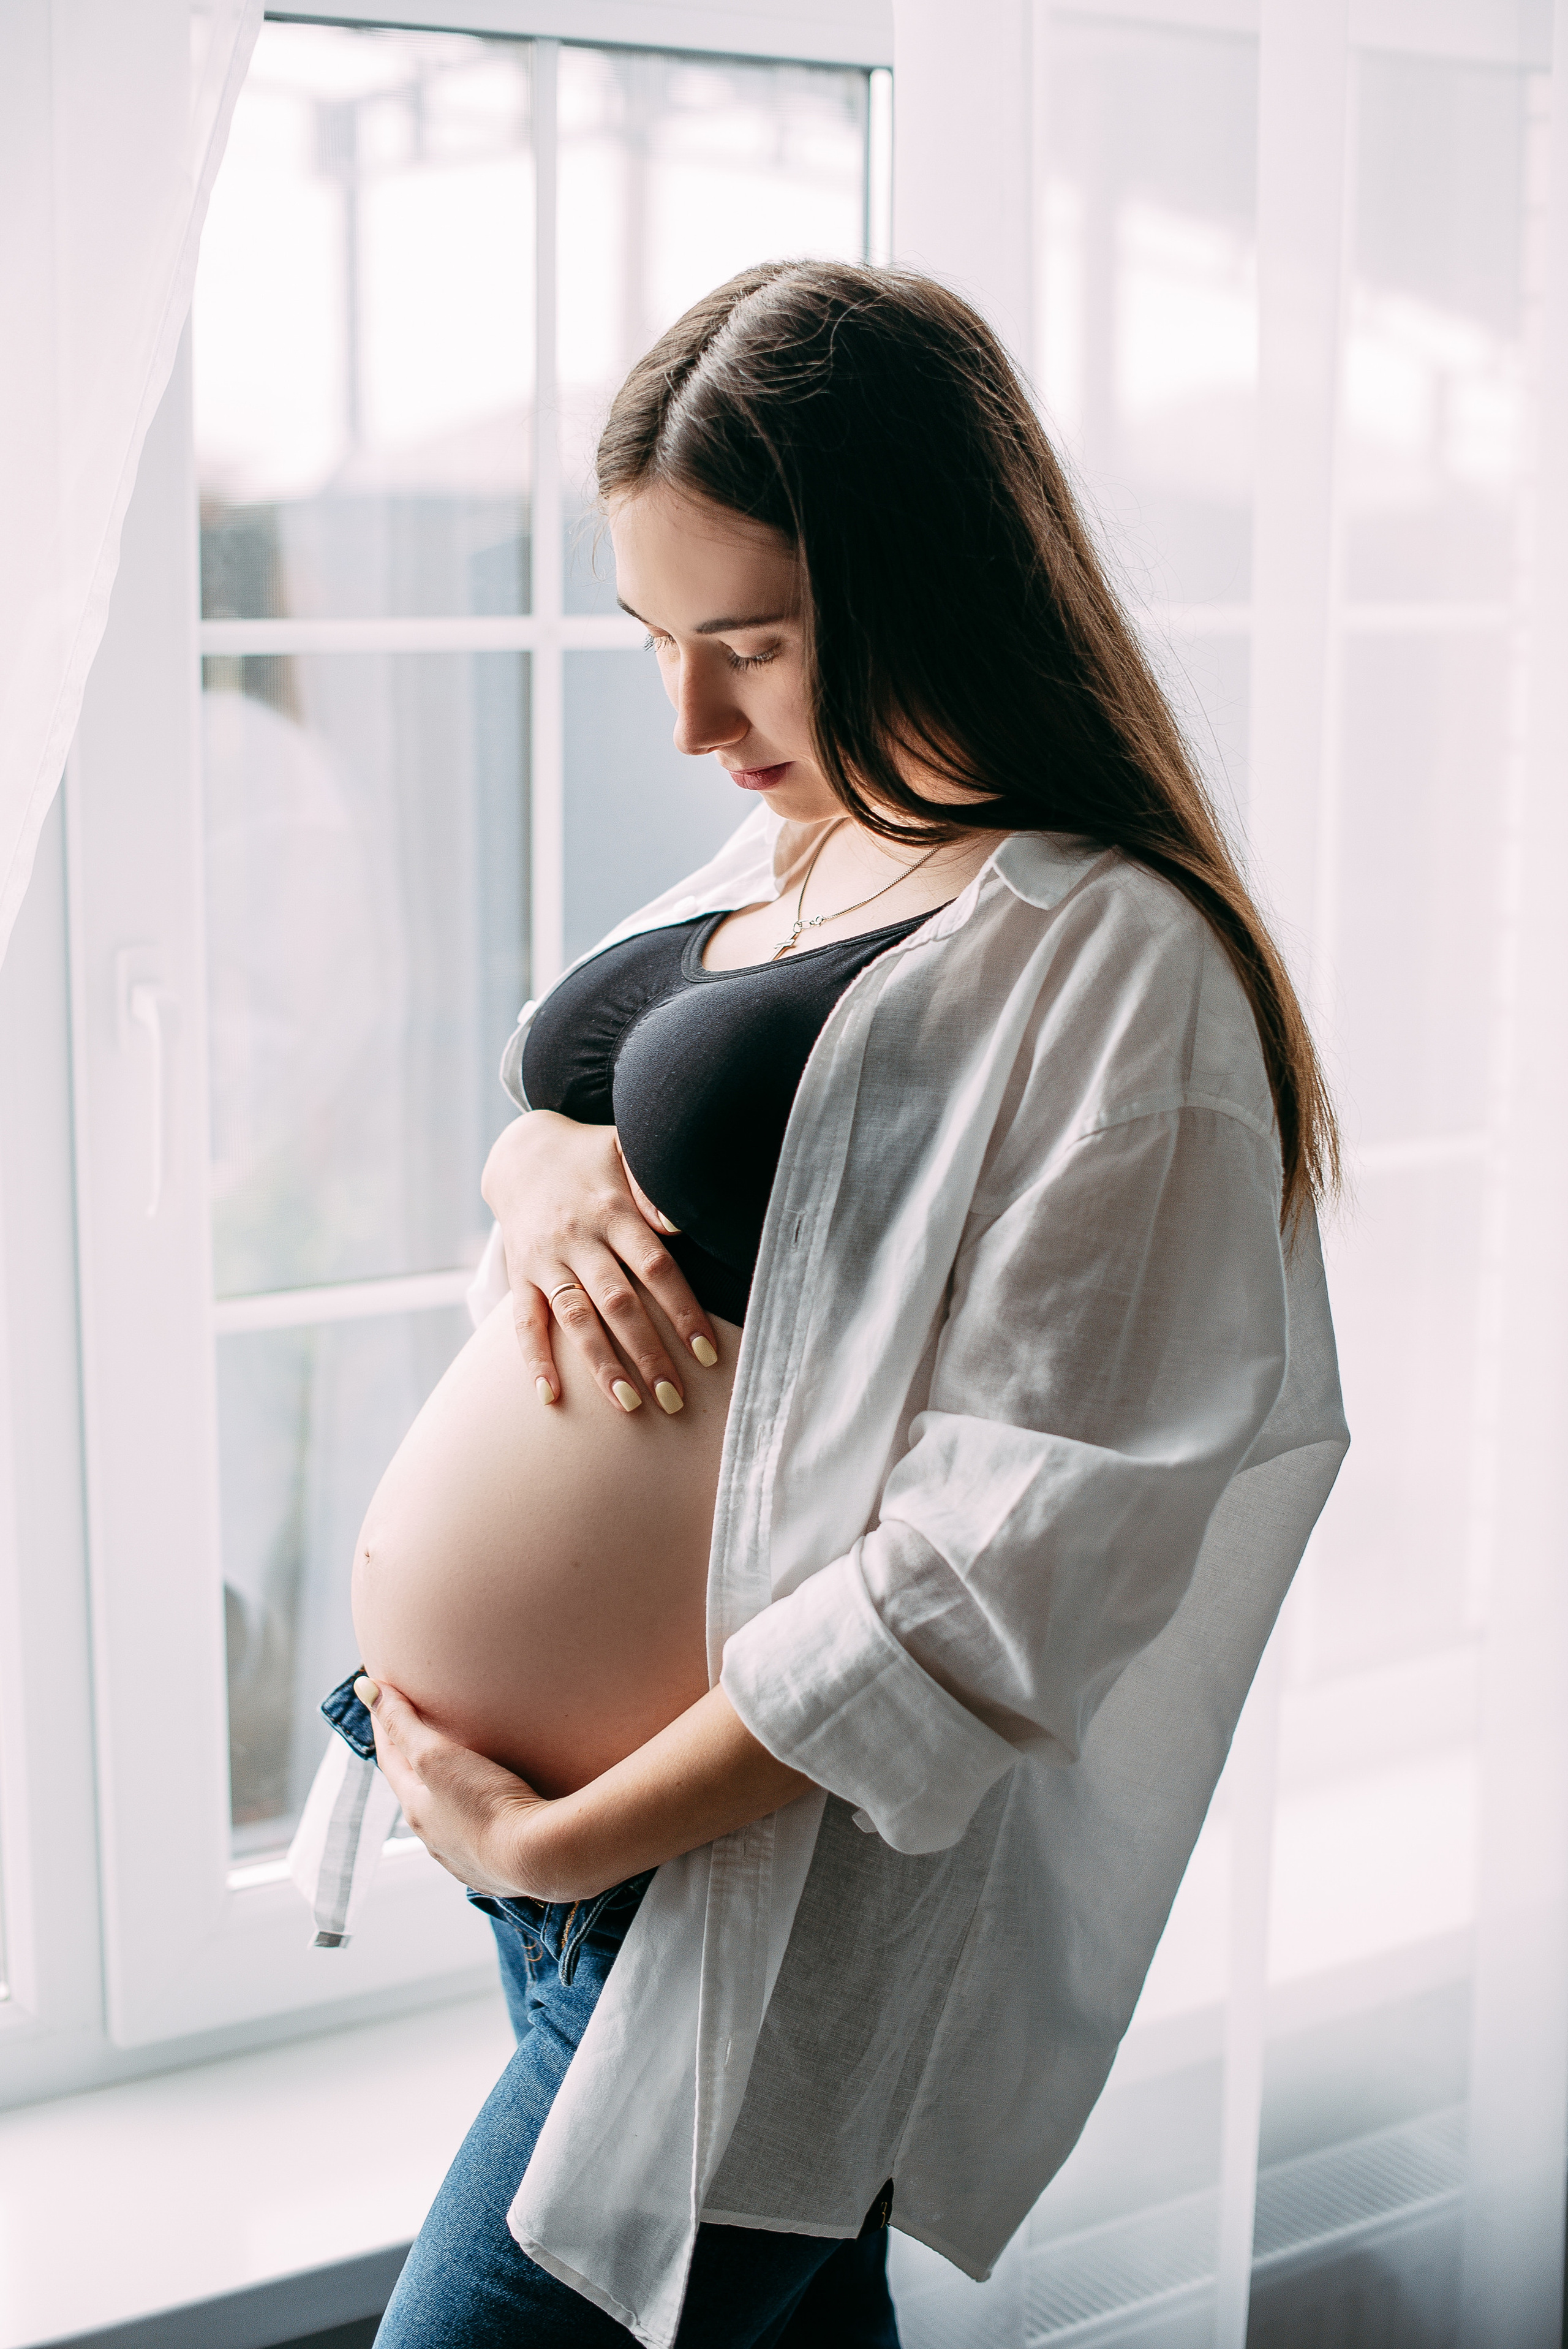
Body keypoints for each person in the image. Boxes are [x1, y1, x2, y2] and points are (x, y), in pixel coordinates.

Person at [293, 260, 1349, 2348]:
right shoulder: (802, 847)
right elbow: (595, 1119)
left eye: (753, 647)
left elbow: (1006, 1565)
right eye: (657, 644)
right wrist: (532, 1153)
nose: (691, 721)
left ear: (933, 588)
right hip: (571, 1879)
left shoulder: (1115, 960)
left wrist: (578, 1832)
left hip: (721, 1903)